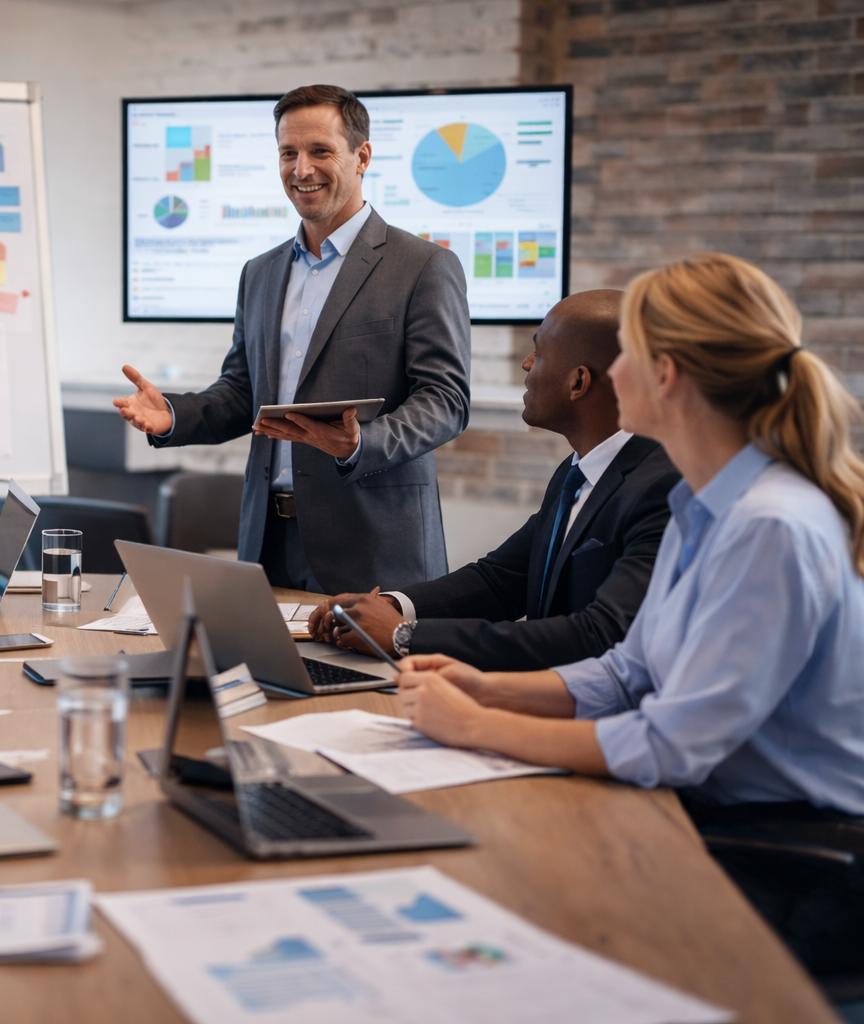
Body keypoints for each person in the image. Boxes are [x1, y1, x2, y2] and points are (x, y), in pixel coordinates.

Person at [396, 253, 864, 973]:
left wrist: (478, 726)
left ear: (664, 374)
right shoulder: (702, 501)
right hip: (707, 815)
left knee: (500, 900)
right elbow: (625, 673)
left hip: (785, 858)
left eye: (628, 355)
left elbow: (670, 743)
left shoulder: (769, 525)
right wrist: (486, 688)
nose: (612, 372)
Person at [114, 84, 470, 594]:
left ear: (362, 157)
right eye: (288, 153)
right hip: (268, 543)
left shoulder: (424, 266)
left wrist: (360, 443)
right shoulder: (260, 272)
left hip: (372, 546)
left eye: (320, 151)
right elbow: (244, 392)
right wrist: (175, 415)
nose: (301, 169)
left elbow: (446, 400)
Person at [305, 290, 681, 670]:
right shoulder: (577, 471)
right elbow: (500, 580)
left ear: (578, 382)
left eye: (540, 353)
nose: (526, 363)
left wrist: (404, 636)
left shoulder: (663, 489)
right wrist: (388, 606)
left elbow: (599, 634)